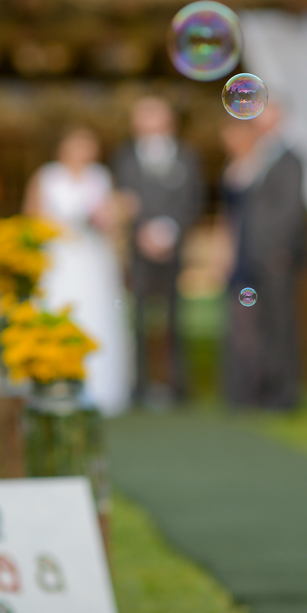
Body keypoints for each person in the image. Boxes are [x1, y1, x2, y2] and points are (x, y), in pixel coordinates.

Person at [25, 126, 133, 416]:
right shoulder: (47, 176)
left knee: (96, 313)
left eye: (88, 145)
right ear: (62, 147)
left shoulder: (100, 176)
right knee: (59, 309)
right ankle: (54, 379)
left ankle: (101, 388)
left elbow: (110, 221)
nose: (83, 152)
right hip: (59, 258)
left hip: (91, 256)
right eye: (77, 144)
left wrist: (113, 218)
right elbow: (33, 218)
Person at [112, 96, 205, 404]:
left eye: (156, 117)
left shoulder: (187, 156)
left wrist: (171, 232)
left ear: (169, 121)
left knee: (175, 317)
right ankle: (139, 385)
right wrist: (141, 232)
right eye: (145, 118)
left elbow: (194, 199)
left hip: (173, 248)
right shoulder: (124, 158)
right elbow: (122, 200)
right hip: (139, 250)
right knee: (137, 316)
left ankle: (177, 385)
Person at [219, 105, 307, 409]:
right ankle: (261, 387)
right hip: (251, 254)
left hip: (276, 255)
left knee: (281, 325)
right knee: (261, 325)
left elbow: (291, 210)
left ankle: (284, 394)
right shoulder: (258, 158)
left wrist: (279, 249)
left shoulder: (291, 158)